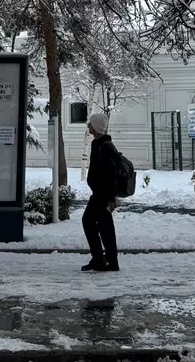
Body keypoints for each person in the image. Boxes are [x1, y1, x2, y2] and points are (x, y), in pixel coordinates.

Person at [82, 112, 120, 272]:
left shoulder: (106, 147)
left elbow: (112, 174)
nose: (88, 126)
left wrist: (110, 198)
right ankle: (102, 258)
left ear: (96, 127)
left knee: (101, 226)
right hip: (98, 192)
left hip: (103, 194)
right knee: (98, 224)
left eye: (90, 124)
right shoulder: (97, 144)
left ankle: (107, 261)